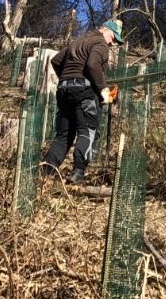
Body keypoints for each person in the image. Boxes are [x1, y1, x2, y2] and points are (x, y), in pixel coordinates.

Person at [42, 19, 123, 183]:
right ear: (105, 31)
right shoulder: (100, 43)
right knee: (87, 131)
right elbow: (93, 65)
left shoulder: (79, 40)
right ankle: (78, 174)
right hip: (84, 93)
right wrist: (103, 89)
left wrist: (67, 78)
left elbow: (56, 60)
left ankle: (45, 174)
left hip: (64, 91)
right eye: (113, 38)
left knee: (63, 135)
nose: (113, 43)